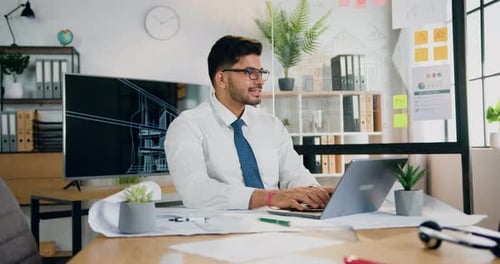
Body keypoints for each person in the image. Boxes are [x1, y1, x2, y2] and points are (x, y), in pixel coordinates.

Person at [165, 35, 333, 210]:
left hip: (279, 225)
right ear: (221, 79)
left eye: (261, 73)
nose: (260, 81)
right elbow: (195, 191)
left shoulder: (271, 125)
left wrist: (316, 193)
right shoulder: (187, 126)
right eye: (250, 73)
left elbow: (295, 175)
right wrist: (269, 197)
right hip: (225, 229)